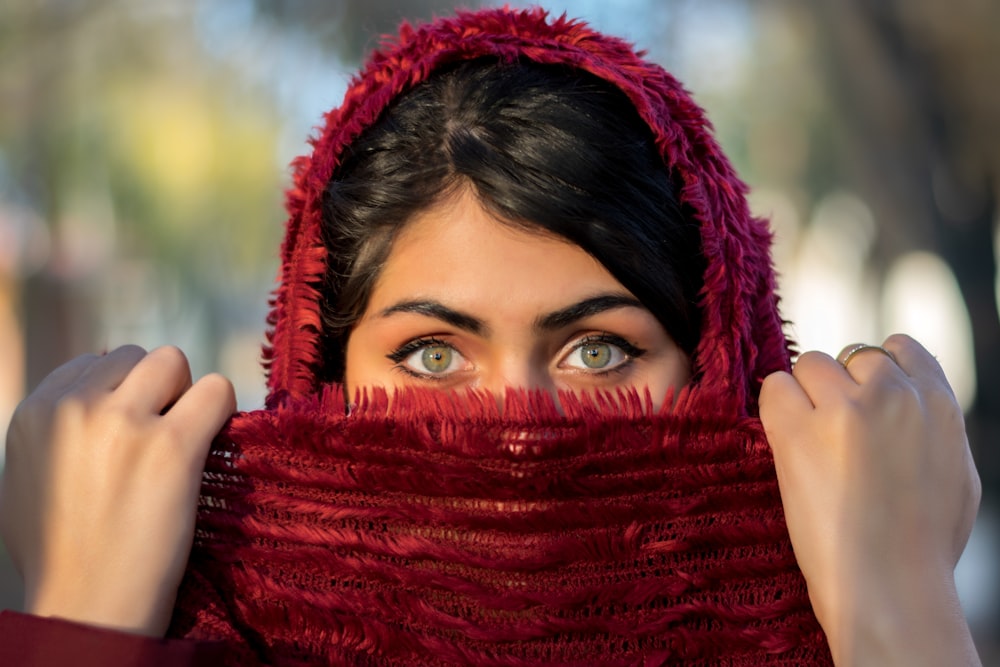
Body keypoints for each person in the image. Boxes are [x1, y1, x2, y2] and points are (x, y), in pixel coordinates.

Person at [0, 7, 982, 666]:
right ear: (322, 377)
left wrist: (896, 616)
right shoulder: (191, 630)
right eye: (432, 355)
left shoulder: (850, 618)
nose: (519, 430)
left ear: (720, 368)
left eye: (596, 350)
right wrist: (83, 614)